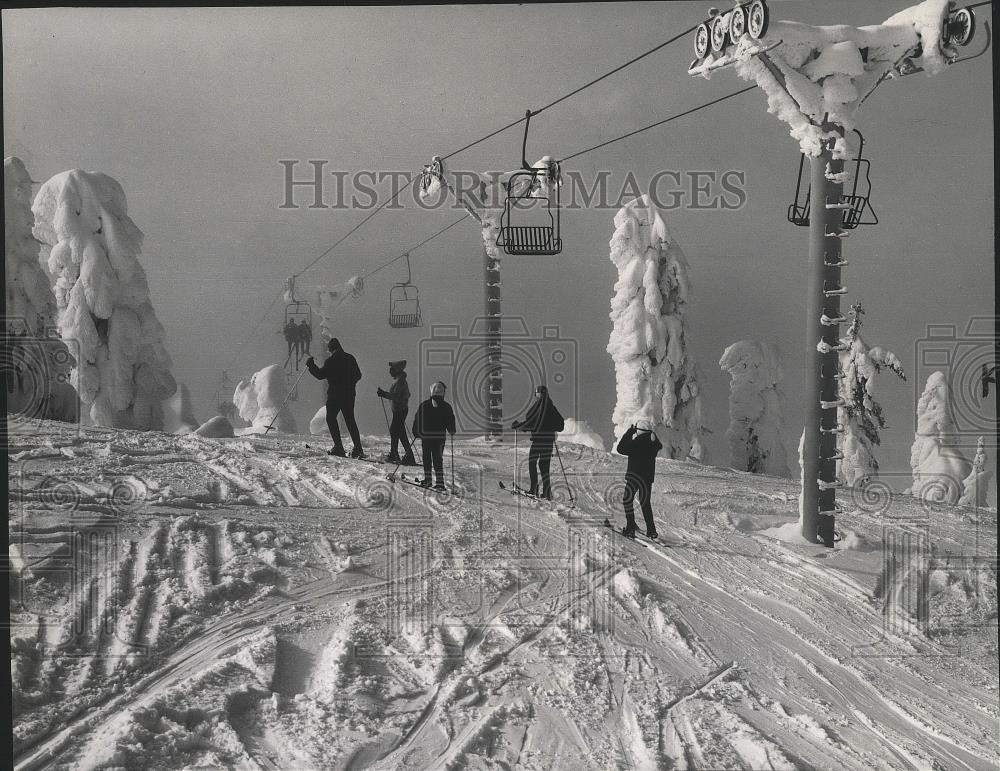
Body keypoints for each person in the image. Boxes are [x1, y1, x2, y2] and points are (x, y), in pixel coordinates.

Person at [306, 337, 365, 458]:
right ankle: (358, 448)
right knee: (350, 420)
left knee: (331, 418)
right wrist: (349, 383)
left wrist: (311, 365)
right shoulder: (350, 358)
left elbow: (320, 375)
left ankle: (339, 447)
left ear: (331, 349)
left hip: (335, 395)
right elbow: (358, 375)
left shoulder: (331, 361)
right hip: (349, 395)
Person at [512, 384, 564, 499]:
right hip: (548, 442)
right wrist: (551, 426)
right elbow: (560, 425)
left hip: (539, 441)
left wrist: (517, 426)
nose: (538, 397)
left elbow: (529, 423)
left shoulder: (537, 409)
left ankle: (534, 489)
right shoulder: (552, 408)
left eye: (538, 395)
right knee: (543, 465)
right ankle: (547, 492)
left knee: (532, 461)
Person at [616, 420, 662, 539]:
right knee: (645, 503)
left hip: (634, 476)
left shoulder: (635, 442)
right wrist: (653, 435)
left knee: (627, 499)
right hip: (647, 478)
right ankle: (651, 530)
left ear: (638, 430)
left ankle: (630, 527)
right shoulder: (653, 444)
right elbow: (659, 445)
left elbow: (620, 449)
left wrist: (629, 432)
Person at [411, 381, 456, 490]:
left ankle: (428, 480)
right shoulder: (446, 407)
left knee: (427, 458)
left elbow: (417, 420)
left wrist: (416, 432)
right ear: (442, 393)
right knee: (437, 458)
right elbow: (450, 421)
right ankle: (440, 483)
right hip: (440, 438)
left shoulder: (424, 405)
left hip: (426, 437)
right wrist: (451, 430)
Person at [377, 359, 416, 465]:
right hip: (400, 409)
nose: (390, 371)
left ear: (397, 370)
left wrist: (384, 394)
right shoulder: (399, 380)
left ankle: (395, 454)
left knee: (395, 431)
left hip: (400, 410)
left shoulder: (400, 381)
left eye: (392, 369)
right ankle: (406, 455)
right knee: (399, 432)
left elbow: (396, 396)